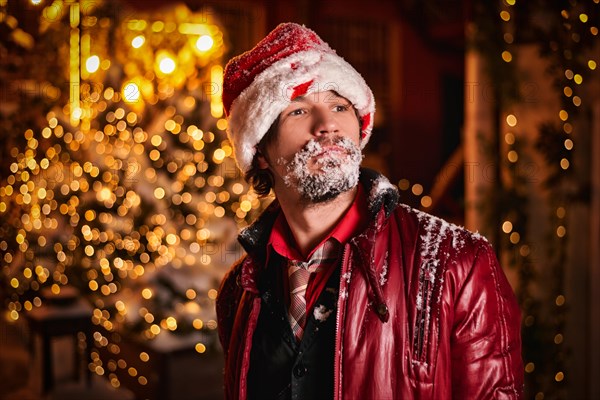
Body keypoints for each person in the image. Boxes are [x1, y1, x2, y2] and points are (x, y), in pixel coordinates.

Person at [216, 22, 523, 399]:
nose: (327, 124)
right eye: (297, 110)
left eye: (339, 106)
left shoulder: (457, 263)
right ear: (260, 152)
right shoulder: (240, 289)